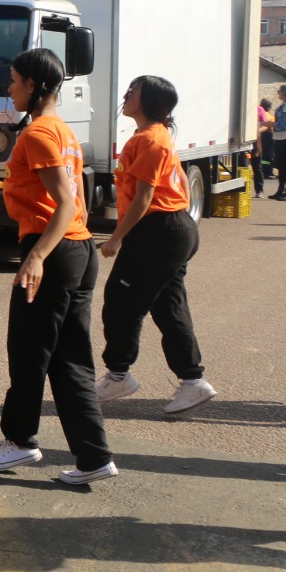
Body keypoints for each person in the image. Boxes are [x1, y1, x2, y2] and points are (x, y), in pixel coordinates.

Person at [0, 48, 115, 484]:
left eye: (14, 80)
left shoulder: (38, 134)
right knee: (70, 359)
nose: (9, 88)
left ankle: (19, 442)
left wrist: (36, 256)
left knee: (29, 352)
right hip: (76, 248)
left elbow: (67, 202)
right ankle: (94, 457)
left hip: (52, 249)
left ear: (33, 85)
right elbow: (81, 206)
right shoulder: (63, 133)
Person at [96, 76, 217, 415]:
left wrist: (116, 238)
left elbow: (145, 198)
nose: (126, 95)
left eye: (132, 91)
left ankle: (119, 374)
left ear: (150, 101)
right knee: (168, 306)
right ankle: (193, 382)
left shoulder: (151, 140)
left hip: (159, 231)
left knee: (121, 303)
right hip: (169, 231)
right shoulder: (147, 136)